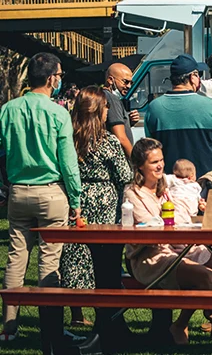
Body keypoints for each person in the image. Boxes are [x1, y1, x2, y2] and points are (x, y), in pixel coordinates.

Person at [0, 53, 82, 349]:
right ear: (51, 79)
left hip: (19, 190)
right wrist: (76, 197)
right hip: (51, 192)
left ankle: (9, 327)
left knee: (16, 257)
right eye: (59, 75)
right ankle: (51, 329)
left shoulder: (8, 109)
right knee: (49, 261)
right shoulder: (58, 113)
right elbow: (68, 161)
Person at [125, 138, 212, 343]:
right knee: (208, 277)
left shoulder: (166, 188)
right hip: (151, 257)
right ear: (140, 166)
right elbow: (151, 229)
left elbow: (177, 218)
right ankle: (181, 324)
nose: (160, 165)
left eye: (161, 160)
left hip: (180, 246)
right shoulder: (133, 194)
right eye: (154, 162)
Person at [59, 86, 133, 349]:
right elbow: (125, 174)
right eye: (105, 107)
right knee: (106, 263)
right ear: (97, 110)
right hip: (104, 202)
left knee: (79, 259)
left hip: (77, 201)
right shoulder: (106, 141)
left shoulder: (69, 138)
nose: (107, 111)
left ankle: (80, 314)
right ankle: (109, 320)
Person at [144, 54, 212, 175]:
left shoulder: (153, 108)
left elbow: (151, 146)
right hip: (205, 181)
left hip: (169, 182)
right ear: (192, 77)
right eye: (199, 75)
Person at [104, 62, 139, 158]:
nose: (129, 86)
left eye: (131, 83)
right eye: (125, 82)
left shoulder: (106, 96)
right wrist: (136, 162)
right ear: (110, 80)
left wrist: (128, 122)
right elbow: (120, 137)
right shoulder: (112, 99)